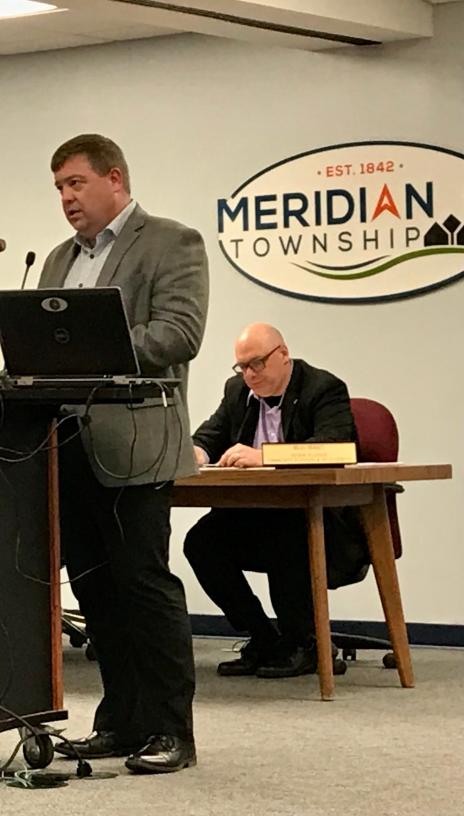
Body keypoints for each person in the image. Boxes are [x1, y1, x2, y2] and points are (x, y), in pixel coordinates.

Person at [40, 134, 208, 774]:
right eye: (58, 188)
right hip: (69, 447)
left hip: (137, 448)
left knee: (143, 586)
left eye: (76, 184)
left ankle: (172, 731)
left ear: (114, 178)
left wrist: (93, 347)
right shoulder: (57, 260)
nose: (66, 198)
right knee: (96, 591)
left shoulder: (172, 242)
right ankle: (119, 721)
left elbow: (179, 334)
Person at [184, 323, 369, 678]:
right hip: (256, 514)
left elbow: (336, 446)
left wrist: (266, 456)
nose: (249, 374)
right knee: (201, 542)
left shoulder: (323, 387)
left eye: (257, 364)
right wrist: (196, 452)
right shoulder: (237, 390)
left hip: (320, 520)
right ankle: (264, 635)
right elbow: (211, 434)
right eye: (242, 366)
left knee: (287, 534)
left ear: (283, 355)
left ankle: (303, 643)